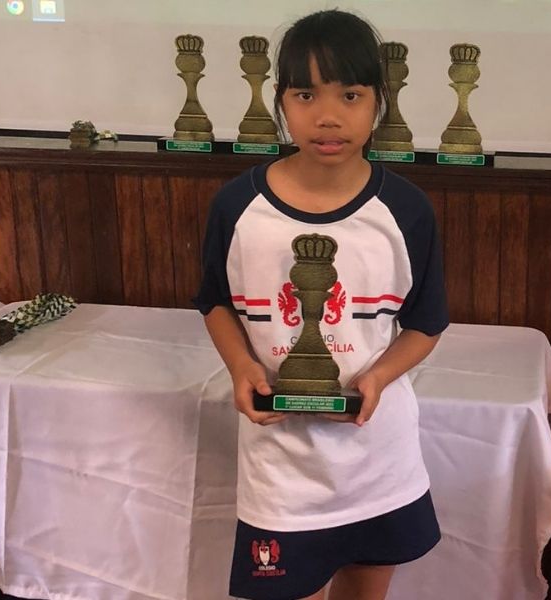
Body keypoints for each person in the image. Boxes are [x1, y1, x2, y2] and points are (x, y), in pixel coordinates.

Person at [193, 9, 448, 600]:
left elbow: (426, 323)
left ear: (378, 102)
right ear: (280, 100)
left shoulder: (407, 211)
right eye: (306, 94)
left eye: (351, 95)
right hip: (281, 470)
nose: (328, 116)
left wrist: (377, 378)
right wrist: (242, 367)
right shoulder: (236, 206)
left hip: (377, 460)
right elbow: (214, 302)